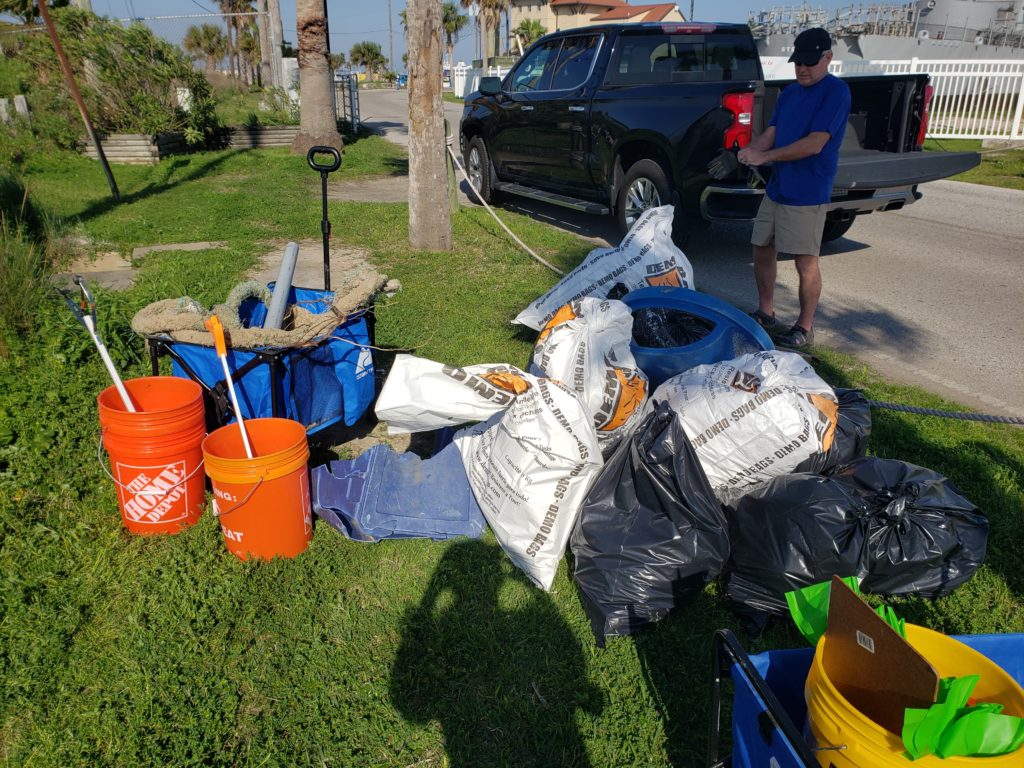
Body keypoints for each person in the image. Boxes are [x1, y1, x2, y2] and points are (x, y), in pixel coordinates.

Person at [737, 27, 851, 348]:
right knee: (761, 248)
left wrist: (766, 156)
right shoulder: (789, 93)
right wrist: (752, 151)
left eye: (809, 62)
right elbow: (771, 132)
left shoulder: (836, 92)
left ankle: (804, 327)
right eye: (797, 62)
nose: (802, 68)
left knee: (805, 261)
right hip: (778, 188)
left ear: (827, 58)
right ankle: (766, 311)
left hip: (808, 191)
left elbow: (815, 144)